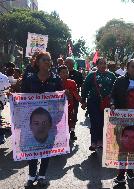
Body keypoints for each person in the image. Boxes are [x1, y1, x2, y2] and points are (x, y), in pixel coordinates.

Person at [21, 51, 63, 188]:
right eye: (44, 59)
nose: (48, 62)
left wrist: (59, 115)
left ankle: (42, 175)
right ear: (37, 62)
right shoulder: (29, 79)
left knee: (46, 147)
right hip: (32, 120)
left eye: (49, 60)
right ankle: (32, 175)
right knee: (32, 147)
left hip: (50, 120)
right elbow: (22, 98)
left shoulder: (56, 79)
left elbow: (61, 99)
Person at [81, 58, 116, 151]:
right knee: (95, 121)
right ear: (97, 65)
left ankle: (101, 141)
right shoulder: (91, 75)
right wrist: (83, 101)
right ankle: (93, 142)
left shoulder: (111, 75)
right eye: (101, 63)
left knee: (104, 122)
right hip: (93, 102)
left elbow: (116, 89)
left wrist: (114, 102)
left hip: (107, 103)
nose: (103, 65)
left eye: (104, 63)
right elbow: (85, 88)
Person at [58, 65, 85, 140]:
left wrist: (82, 102)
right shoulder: (55, 82)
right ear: (58, 74)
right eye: (63, 72)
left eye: (66, 72)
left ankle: (72, 132)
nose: (65, 74)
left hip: (70, 104)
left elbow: (76, 94)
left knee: (72, 118)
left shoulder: (72, 82)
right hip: (59, 105)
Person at [65, 57, 84, 124]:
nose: (68, 65)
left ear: (73, 64)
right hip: (63, 99)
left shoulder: (78, 74)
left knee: (74, 114)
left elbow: (82, 86)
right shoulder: (61, 73)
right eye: (66, 63)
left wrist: (83, 100)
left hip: (74, 98)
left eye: (69, 63)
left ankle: (72, 130)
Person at [0, 71, 10, 144]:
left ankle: (1, 136)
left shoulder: (4, 77)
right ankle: (1, 136)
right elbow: (7, 88)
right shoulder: (4, 77)